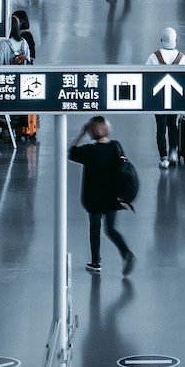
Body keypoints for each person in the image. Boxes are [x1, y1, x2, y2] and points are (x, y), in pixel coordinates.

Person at [68, 117, 136, 276]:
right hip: (113, 197)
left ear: (91, 131)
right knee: (111, 229)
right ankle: (126, 253)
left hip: (94, 198)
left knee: (95, 229)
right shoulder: (115, 146)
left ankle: (95, 262)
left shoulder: (89, 151)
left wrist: (80, 134)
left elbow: (71, 152)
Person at [147, 28, 185, 169]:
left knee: (160, 128)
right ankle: (173, 153)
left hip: (158, 100)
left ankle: (163, 157)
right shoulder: (183, 58)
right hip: (176, 100)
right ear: (175, 40)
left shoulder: (153, 57)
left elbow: (145, 77)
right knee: (173, 125)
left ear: (161, 41)